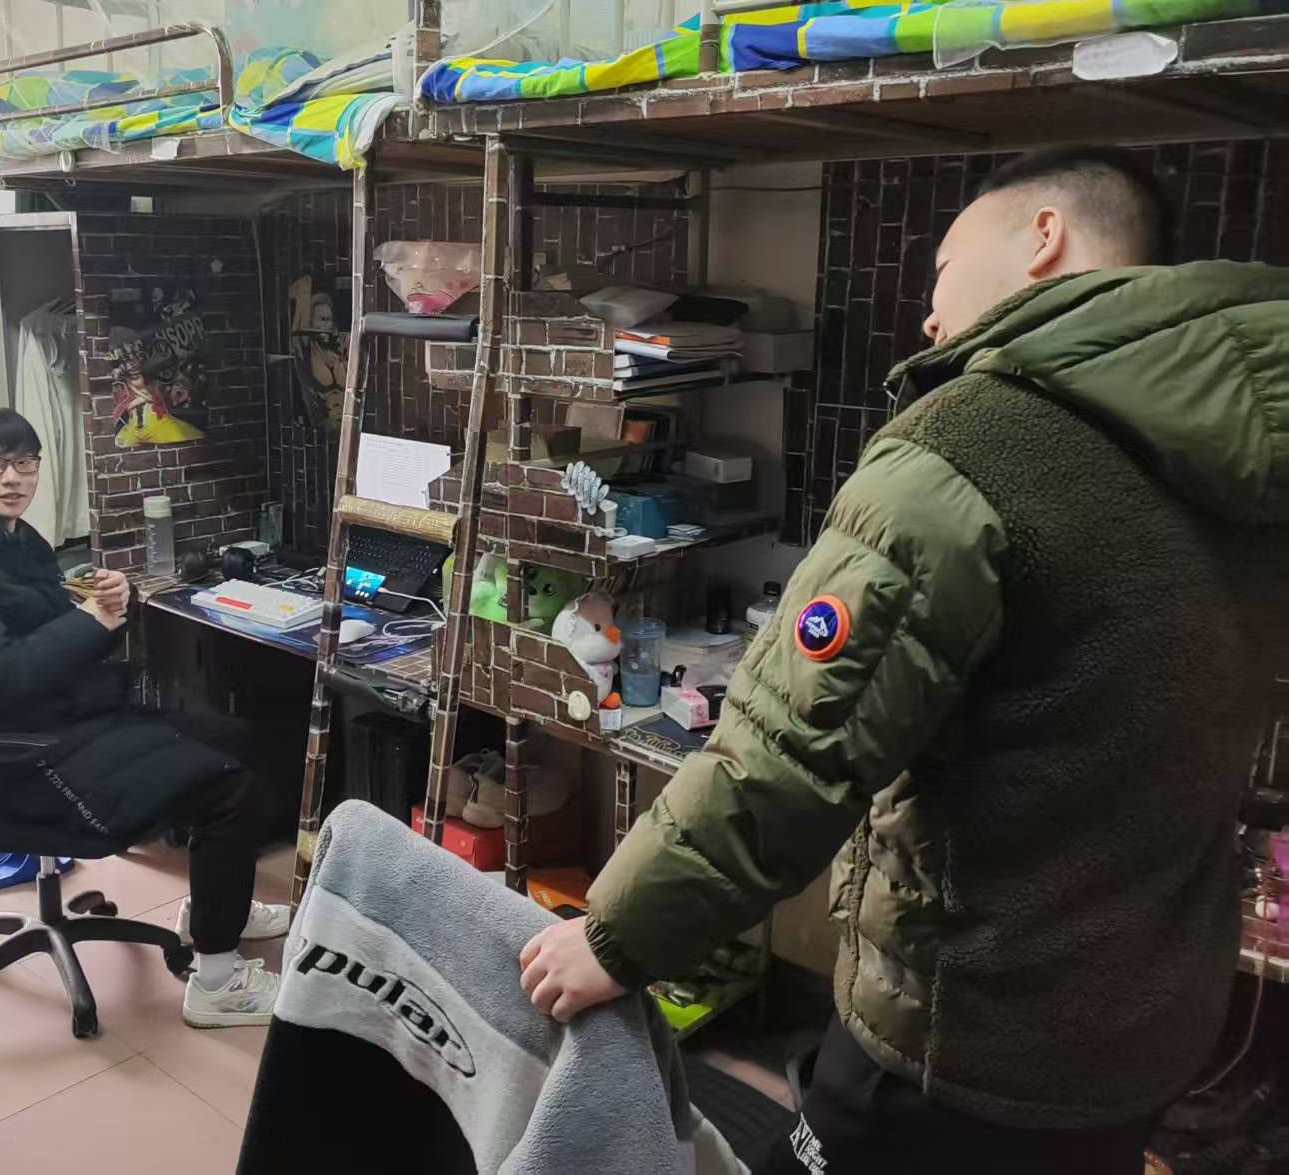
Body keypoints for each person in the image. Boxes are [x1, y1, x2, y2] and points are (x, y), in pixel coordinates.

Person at [519, 147, 1289, 1173]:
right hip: (1143, 1026)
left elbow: (789, 753)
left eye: (941, 270)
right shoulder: (1247, 455)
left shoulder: (973, 442)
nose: (928, 318)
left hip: (964, 1031)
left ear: (1045, 236)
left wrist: (615, 936)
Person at [0, 405, 291, 1027]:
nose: (13, 478)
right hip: (13, 761)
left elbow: (39, 633)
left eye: (25, 462)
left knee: (237, 739)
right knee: (227, 787)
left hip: (53, 724)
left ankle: (221, 908)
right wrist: (88, 623)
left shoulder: (10, 540)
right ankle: (218, 982)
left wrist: (99, 605)